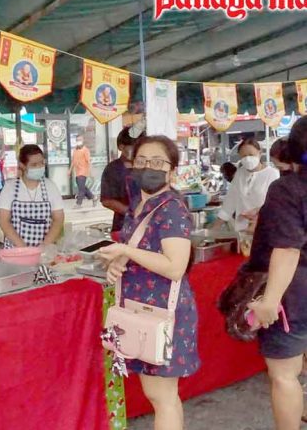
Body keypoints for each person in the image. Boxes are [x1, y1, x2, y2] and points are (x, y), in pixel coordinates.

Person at [98, 135, 199, 430]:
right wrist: (119, 261)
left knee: (162, 396)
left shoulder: (171, 208)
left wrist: (126, 251)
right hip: (141, 308)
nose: (148, 168)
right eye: (141, 161)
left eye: (157, 162)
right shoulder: (139, 204)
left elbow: (175, 267)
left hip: (163, 312)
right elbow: (142, 249)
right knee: (160, 396)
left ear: (172, 170)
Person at [244, 115, 307, 430]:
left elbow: (287, 249)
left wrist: (270, 301)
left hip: (295, 292)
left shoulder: (287, 189)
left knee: (284, 375)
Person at [0, 144, 64, 248]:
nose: (39, 167)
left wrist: (44, 246)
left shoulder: (51, 187)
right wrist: (23, 247)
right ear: (22, 165)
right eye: (34, 165)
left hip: (44, 251)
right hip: (15, 251)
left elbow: (58, 219)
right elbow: (3, 220)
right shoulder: (10, 188)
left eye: (42, 163)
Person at [213, 138, 279, 231]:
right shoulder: (240, 173)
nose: (248, 159)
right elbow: (230, 202)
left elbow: (277, 204)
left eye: (251, 155)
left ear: (259, 153)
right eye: (244, 156)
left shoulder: (272, 174)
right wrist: (215, 228)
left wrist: (257, 212)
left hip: (265, 228)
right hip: (242, 229)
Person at [100, 128, 140, 235]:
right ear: (121, 147)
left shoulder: (145, 167)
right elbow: (107, 200)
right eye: (133, 147)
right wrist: (132, 213)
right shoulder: (112, 169)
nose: (137, 151)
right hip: (123, 226)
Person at [69, 134, 97, 209]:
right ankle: (93, 197)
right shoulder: (75, 150)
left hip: (83, 172)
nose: (79, 141)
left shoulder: (85, 150)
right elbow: (73, 161)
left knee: (81, 189)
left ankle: (78, 204)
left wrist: (91, 173)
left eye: (80, 140)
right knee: (83, 187)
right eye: (77, 140)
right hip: (77, 172)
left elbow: (89, 162)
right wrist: (70, 170)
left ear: (83, 140)